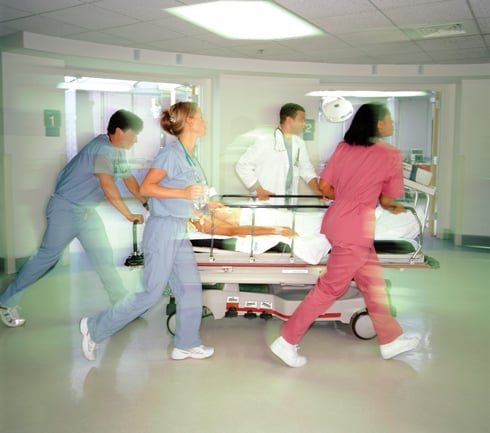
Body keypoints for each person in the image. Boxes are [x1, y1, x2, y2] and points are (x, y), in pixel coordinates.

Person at [269, 102, 420, 367]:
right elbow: (387, 200)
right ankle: (286, 340)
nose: (392, 124)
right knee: (330, 288)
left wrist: (349, 196)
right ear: (379, 124)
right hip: (355, 230)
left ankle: (391, 340)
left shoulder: (343, 148)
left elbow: (325, 186)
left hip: (338, 221)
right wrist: (395, 207)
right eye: (389, 119)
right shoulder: (390, 154)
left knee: (374, 286)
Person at [79, 101, 217, 361]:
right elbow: (147, 188)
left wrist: (207, 205)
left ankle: (186, 343)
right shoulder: (171, 154)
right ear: (189, 121)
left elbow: (189, 193)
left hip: (179, 230)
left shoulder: (189, 155)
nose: (204, 121)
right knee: (151, 293)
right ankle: (94, 328)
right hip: (163, 229)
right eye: (200, 117)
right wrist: (183, 192)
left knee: (190, 288)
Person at [0, 110, 147, 328]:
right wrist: (129, 214)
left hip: (85, 212)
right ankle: (5, 302)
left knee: (103, 256)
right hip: (65, 210)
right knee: (46, 259)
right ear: (118, 131)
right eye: (133, 135)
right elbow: (108, 186)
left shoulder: (115, 150)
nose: (135, 140)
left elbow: (128, 180)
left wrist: (146, 203)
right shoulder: (102, 150)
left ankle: (121, 304)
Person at [235, 102, 323, 203]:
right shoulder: (265, 141)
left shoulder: (299, 143)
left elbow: (306, 169)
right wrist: (258, 189)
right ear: (289, 120)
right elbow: (242, 165)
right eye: (301, 120)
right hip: (267, 203)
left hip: (289, 203)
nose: (304, 124)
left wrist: (318, 191)